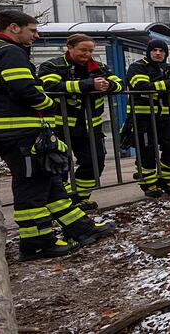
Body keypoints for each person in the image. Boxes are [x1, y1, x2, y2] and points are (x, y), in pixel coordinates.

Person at [0, 11, 115, 260]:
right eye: (32, 30)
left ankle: (81, 229)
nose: (36, 35)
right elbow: (23, 88)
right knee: (31, 184)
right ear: (13, 27)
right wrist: (48, 104)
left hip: (2, 126)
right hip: (20, 128)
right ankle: (37, 242)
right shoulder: (9, 51)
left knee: (49, 179)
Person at [38, 34, 124, 210]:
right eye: (83, 50)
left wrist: (108, 85)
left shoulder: (99, 67)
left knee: (95, 161)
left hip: (91, 126)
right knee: (60, 164)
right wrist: (87, 85)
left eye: (91, 50)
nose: (87, 54)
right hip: (60, 126)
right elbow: (49, 87)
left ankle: (79, 197)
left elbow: (120, 84)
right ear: (69, 47)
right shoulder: (52, 66)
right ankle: (63, 202)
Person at [126, 40, 170, 197]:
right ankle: (149, 184)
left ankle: (165, 180)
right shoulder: (137, 67)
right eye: (154, 50)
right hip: (142, 117)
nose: (158, 53)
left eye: (161, 51)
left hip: (165, 117)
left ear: (166, 53)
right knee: (146, 151)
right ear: (148, 52)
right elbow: (141, 87)